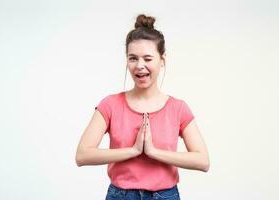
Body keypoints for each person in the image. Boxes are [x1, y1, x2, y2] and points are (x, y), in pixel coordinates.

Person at [75, 14, 210, 200]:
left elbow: (203, 161)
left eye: (148, 58)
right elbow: (82, 155)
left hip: (166, 195)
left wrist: (154, 152)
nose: (140, 66)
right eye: (133, 58)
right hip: (120, 195)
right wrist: (133, 151)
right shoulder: (110, 104)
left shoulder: (178, 108)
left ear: (162, 60)